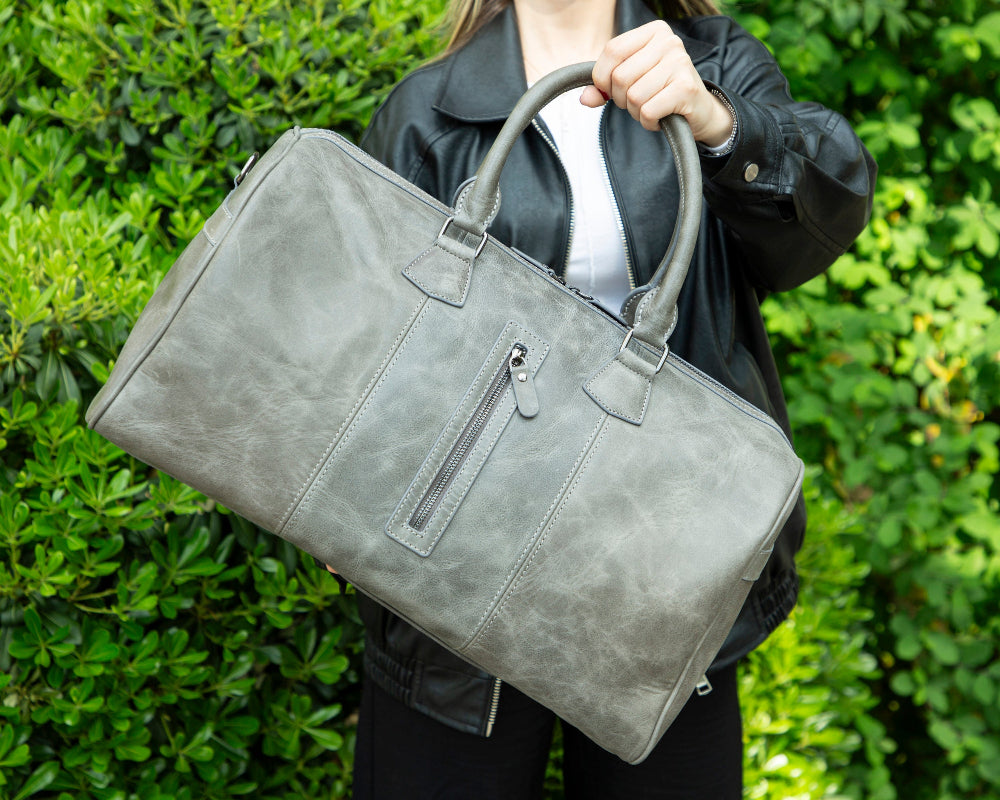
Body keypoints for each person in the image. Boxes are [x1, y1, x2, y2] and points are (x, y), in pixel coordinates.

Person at [333, 0, 877, 796]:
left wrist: (716, 122)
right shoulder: (430, 109)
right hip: (457, 566)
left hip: (662, 564)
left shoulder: (711, 64)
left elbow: (828, 213)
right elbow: (373, 345)